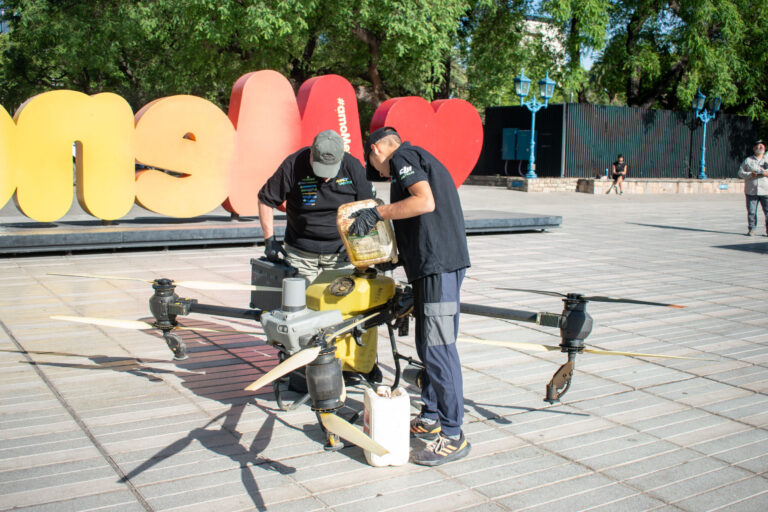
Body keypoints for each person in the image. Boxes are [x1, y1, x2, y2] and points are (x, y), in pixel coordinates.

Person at [349, 126, 471, 466]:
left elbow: (424, 202)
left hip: (438, 269)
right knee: (426, 345)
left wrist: (378, 212)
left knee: (438, 349)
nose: (378, 168)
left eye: (374, 161)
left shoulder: (403, 156)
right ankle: (431, 415)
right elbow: (426, 219)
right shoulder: (421, 157)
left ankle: (453, 434)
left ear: (377, 149)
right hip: (434, 266)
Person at [257, 130, 375, 282]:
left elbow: (368, 208)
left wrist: (367, 248)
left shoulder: (353, 167)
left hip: (341, 253)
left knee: (338, 303)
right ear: (311, 152)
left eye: (330, 169)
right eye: (320, 167)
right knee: (300, 302)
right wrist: (269, 240)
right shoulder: (293, 165)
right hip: (301, 252)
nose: (325, 177)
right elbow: (266, 200)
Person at [737, 139, 768, 236]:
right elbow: (740, 173)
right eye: (757, 146)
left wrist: (765, 173)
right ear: (754, 148)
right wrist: (751, 174)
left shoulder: (767, 159)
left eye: (761, 146)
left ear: (765, 148)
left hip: (766, 190)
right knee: (751, 211)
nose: (759, 147)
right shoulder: (748, 160)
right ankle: (752, 229)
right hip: (751, 190)